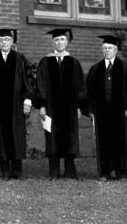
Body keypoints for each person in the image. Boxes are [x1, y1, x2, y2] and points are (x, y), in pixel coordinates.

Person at [87, 35, 127, 181]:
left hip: (121, 111)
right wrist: (91, 110)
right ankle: (105, 172)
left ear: (116, 50)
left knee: (121, 141)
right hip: (102, 112)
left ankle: (121, 172)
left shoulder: (124, 67)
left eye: (110, 48)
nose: (107, 50)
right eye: (105, 48)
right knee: (104, 141)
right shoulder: (96, 69)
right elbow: (90, 92)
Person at [36, 28, 87, 179]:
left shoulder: (74, 62)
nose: (59, 42)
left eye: (62, 39)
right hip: (51, 107)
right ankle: (54, 171)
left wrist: (79, 106)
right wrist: (42, 105)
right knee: (52, 136)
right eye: (57, 40)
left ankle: (70, 170)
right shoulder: (45, 61)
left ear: (67, 42)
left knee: (70, 137)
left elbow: (80, 86)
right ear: (52, 42)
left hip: (70, 108)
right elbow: (40, 84)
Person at [0, 28, 34, 179]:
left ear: (12, 42)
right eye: (1, 40)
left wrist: (27, 100)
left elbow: (29, 80)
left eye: (7, 40)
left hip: (17, 105)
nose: (4, 42)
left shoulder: (20, 59)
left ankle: (17, 170)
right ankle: (5, 170)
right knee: (1, 135)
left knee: (17, 135)